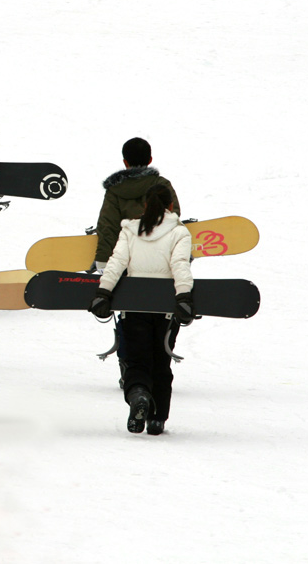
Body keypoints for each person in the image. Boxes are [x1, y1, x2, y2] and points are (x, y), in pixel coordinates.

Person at [89, 184, 193, 436]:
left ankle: (138, 394)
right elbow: (179, 265)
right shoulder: (180, 232)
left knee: (137, 359)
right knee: (161, 360)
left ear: (144, 205)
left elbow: (117, 261)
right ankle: (157, 419)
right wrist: (184, 297)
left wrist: (104, 292)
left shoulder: (130, 230)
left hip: (133, 306)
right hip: (166, 309)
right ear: (170, 206)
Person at [94, 138, 180, 388]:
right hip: (162, 261)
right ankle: (158, 364)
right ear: (150, 159)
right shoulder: (162, 186)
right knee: (163, 314)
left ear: (124, 162)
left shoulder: (114, 191)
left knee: (128, 317)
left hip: (126, 264)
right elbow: (174, 218)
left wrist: (103, 264)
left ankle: (130, 368)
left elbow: (108, 227)